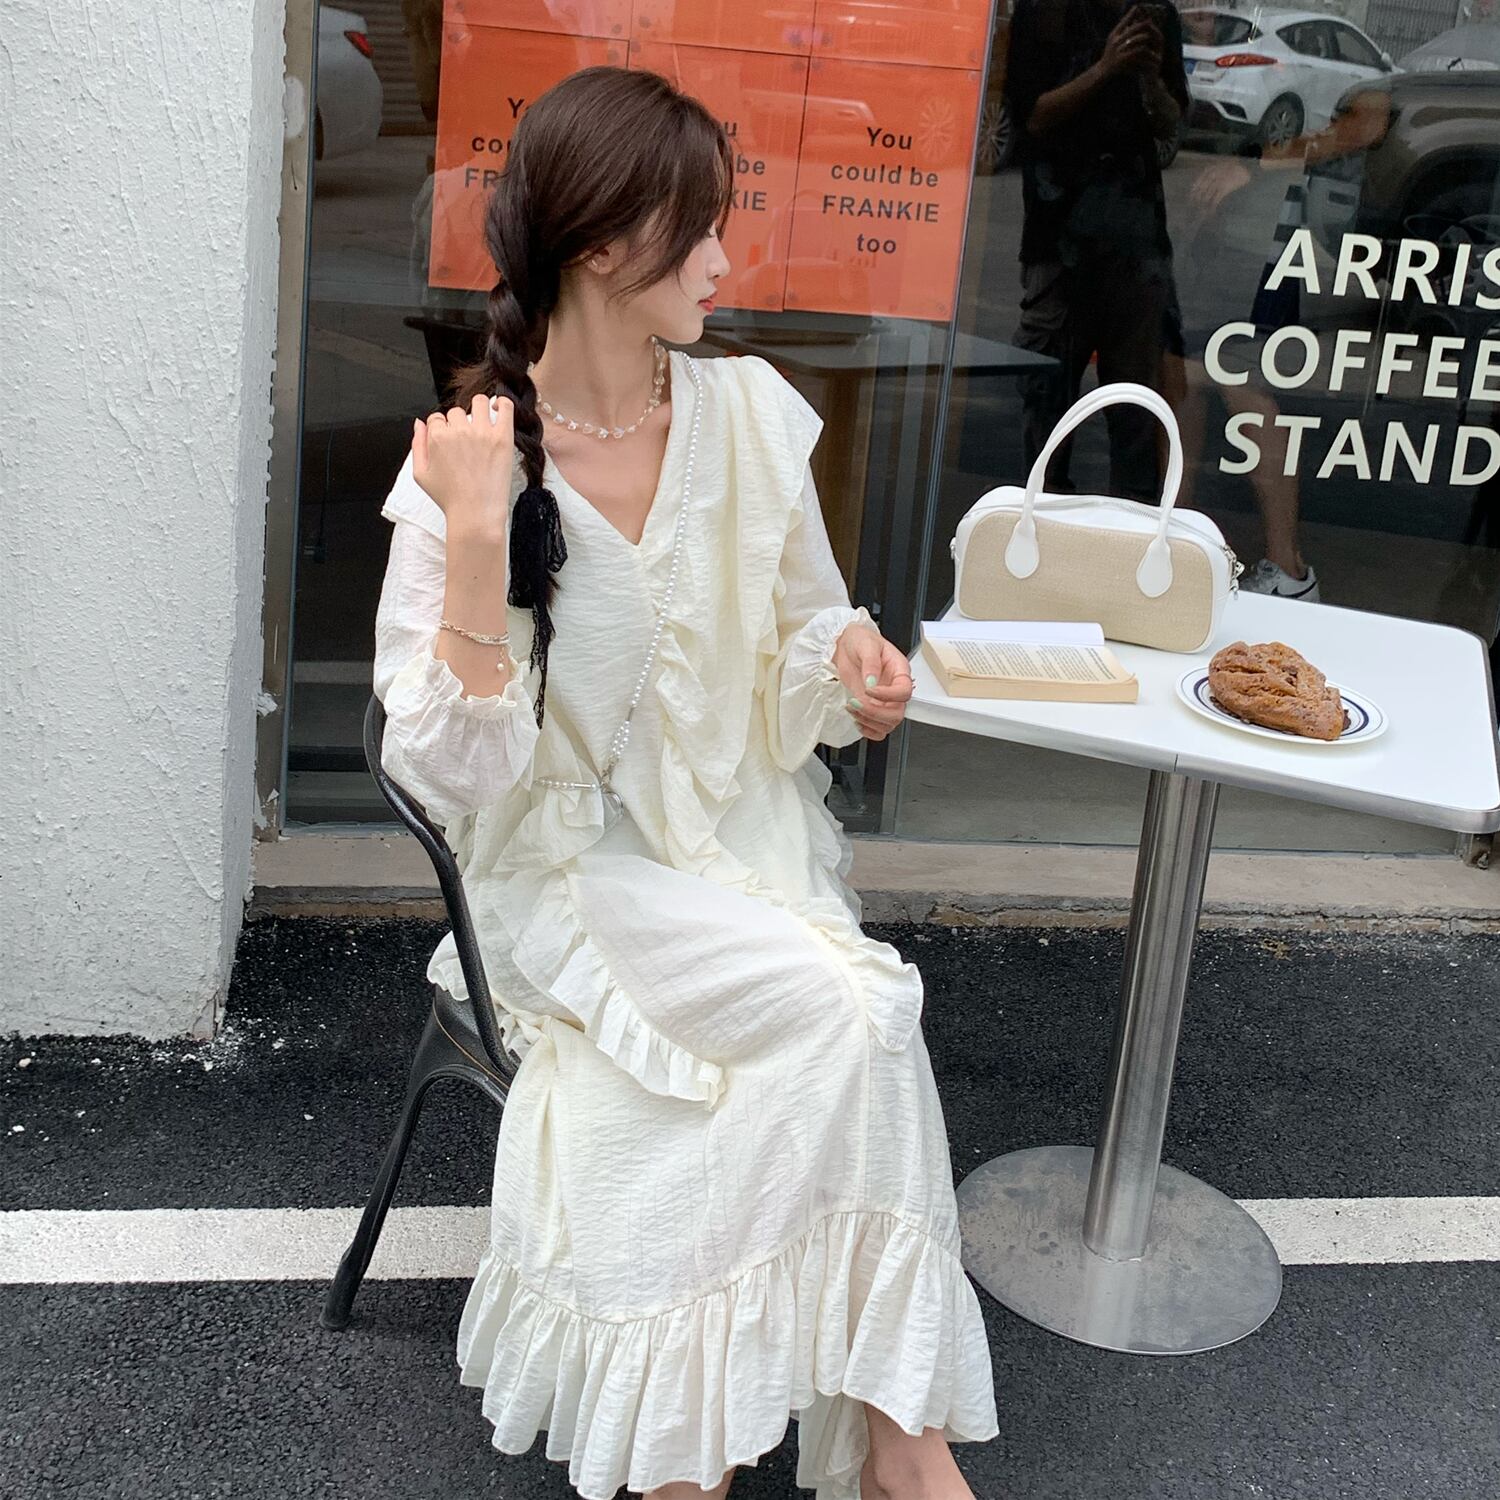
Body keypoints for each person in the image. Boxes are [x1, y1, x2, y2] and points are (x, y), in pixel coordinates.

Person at [371, 67, 998, 1500]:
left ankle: (827, 1449)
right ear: (605, 245)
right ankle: (840, 1452)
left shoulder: (752, 415)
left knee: (846, 1028)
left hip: (733, 840)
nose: (726, 260)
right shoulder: (473, 464)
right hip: (573, 875)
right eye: (701, 228)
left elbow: (801, 637)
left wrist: (849, 670)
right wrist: (478, 538)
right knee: (846, 1023)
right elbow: (451, 777)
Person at [1005, 0, 1189, 500]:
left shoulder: (1155, 14)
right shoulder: (1047, 9)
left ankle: (1131, 531)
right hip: (1059, 236)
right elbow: (1031, 117)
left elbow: (1172, 124)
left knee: (1136, 412)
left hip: (1137, 240)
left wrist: (1149, 79)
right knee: (1049, 403)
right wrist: (1105, 68)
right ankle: (1041, 520)